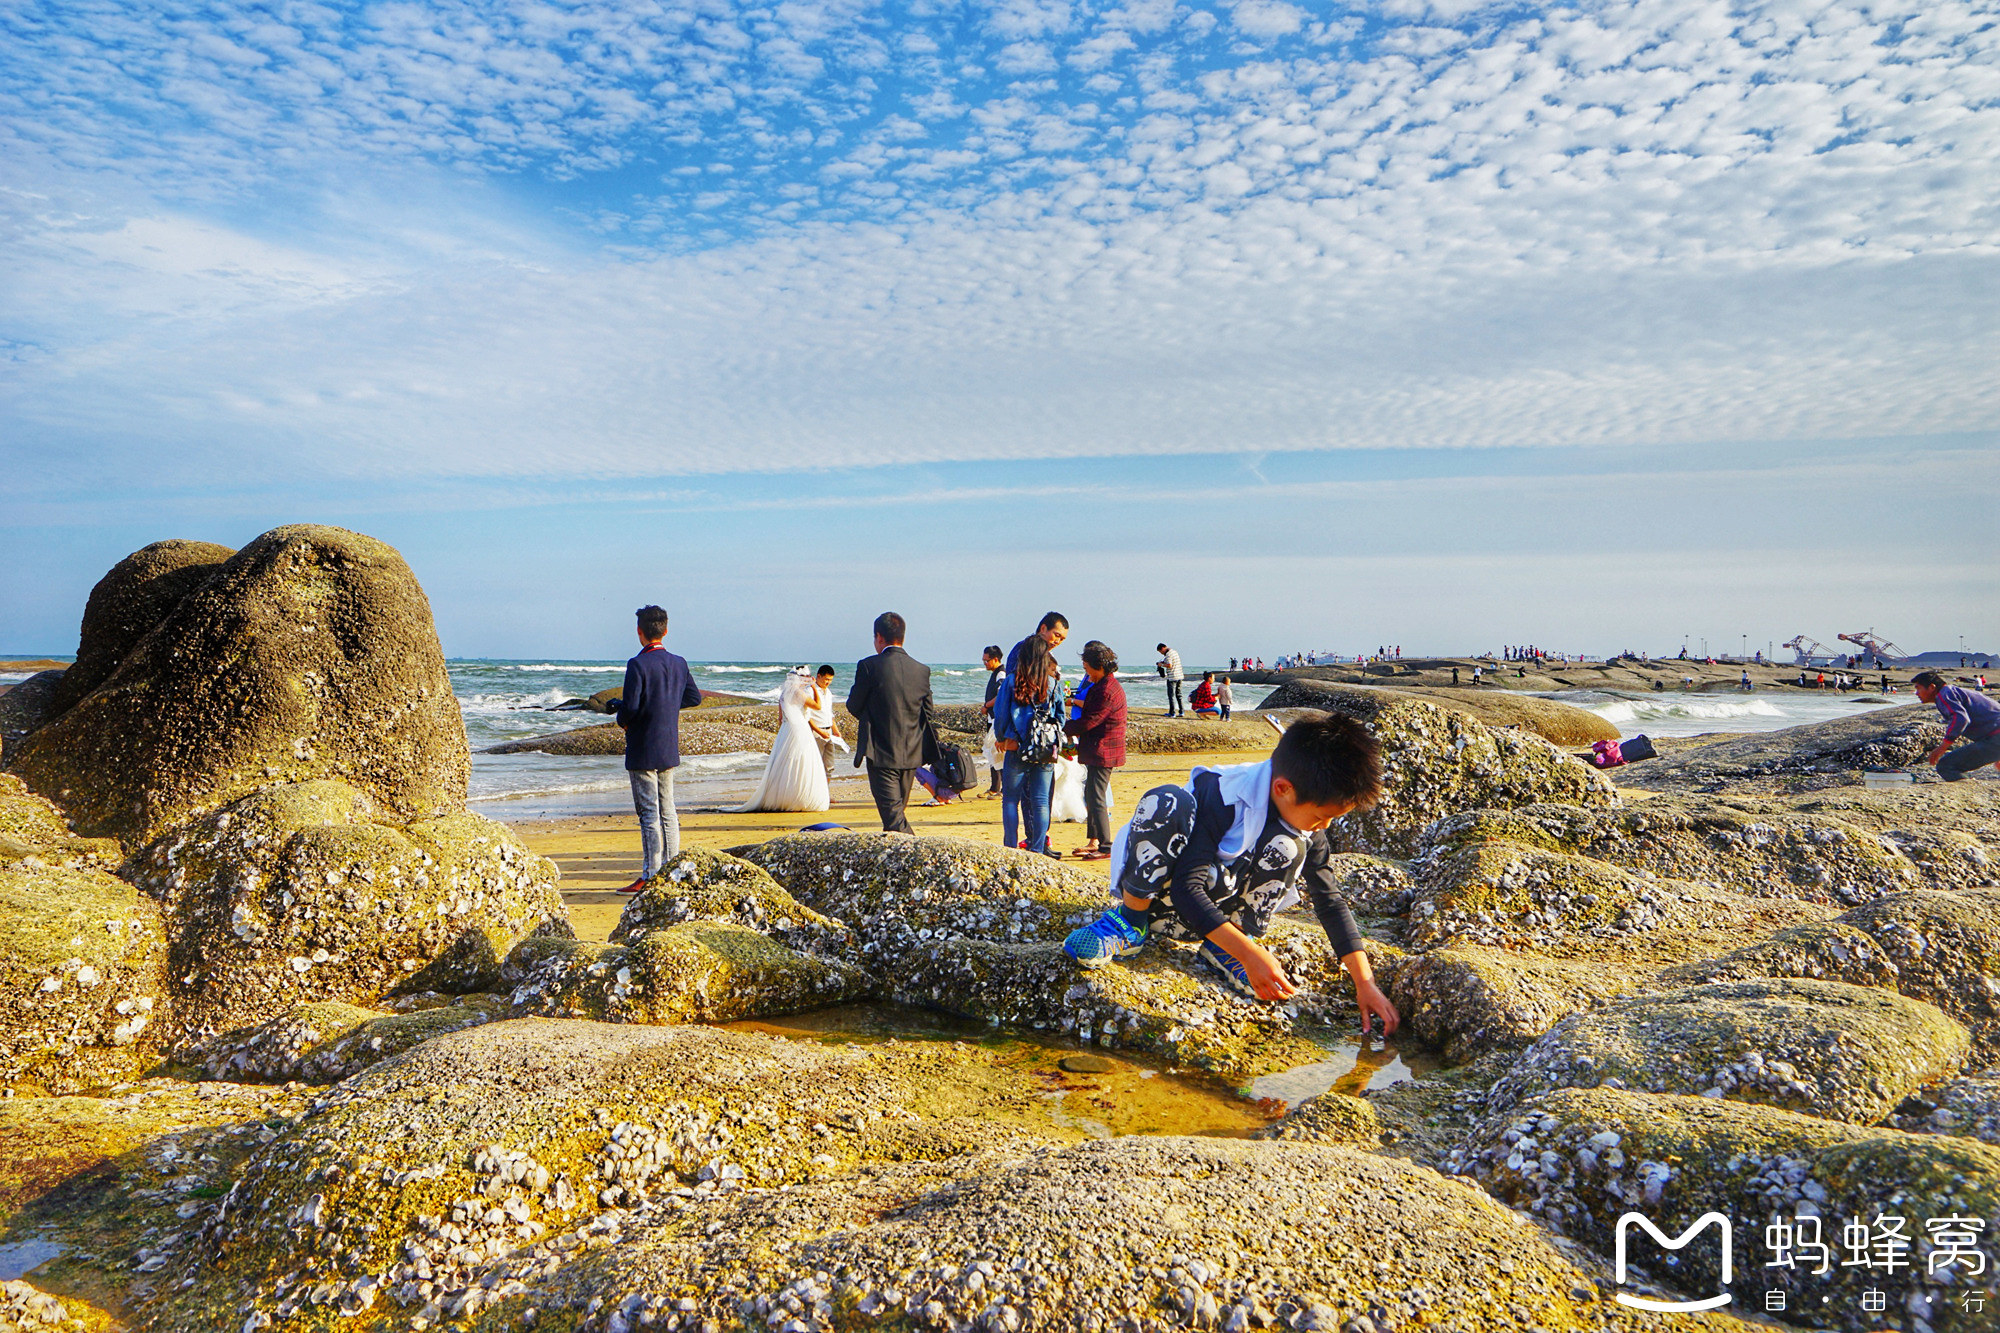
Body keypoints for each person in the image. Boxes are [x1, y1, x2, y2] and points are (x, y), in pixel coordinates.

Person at [1059, 714, 1399, 1033]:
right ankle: (1129, 923)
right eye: (1321, 817)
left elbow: (1330, 900)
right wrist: (1252, 956)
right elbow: (1185, 888)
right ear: (1283, 788)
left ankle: (1223, 947)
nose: (1323, 827)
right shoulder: (1222, 792)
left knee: (1293, 845)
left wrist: (1364, 982)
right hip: (1160, 901)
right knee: (1167, 799)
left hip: (1217, 921)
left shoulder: (1306, 825)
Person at [613, 605, 703, 892]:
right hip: (667, 743)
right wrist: (665, 705)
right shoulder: (679, 662)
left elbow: (632, 707)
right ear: (665, 630)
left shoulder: (637, 664)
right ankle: (672, 868)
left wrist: (621, 716)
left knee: (649, 813)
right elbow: (693, 697)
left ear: (640, 632)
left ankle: (651, 874)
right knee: (668, 809)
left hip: (642, 744)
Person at [845, 612, 934, 834]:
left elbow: (853, 705)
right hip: (911, 754)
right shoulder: (921, 670)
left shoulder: (868, 666)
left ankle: (920, 859)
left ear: (879, 637)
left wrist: (875, 717)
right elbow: (928, 714)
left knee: (893, 818)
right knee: (895, 815)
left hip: (881, 753)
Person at [994, 632, 1064, 857]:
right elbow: (1060, 717)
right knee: (1041, 802)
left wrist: (1001, 737)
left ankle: (1010, 847)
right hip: (1044, 750)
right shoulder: (1053, 683)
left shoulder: (1012, 681)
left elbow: (1001, 714)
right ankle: (1037, 848)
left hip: (1016, 747)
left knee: (1011, 800)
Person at [732, 667, 833, 814]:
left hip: (786, 729)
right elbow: (817, 706)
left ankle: (782, 795)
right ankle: (798, 797)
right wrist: (814, 688)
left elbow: (781, 718)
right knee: (801, 761)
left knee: (784, 762)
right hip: (799, 729)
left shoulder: (784, 694)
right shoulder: (798, 693)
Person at [1065, 640, 1127, 861]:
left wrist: (1063, 728)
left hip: (1104, 749)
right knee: (1091, 795)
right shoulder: (1104, 685)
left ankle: (1106, 846)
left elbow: (1090, 721)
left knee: (1097, 796)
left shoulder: (1106, 690)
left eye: (1086, 668)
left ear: (1098, 666)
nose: (1086, 673)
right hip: (1101, 748)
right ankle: (1095, 841)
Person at [1914, 670, 2000, 782]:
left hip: (1995, 738)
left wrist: (1942, 747)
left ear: (1931, 687)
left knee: (1945, 766)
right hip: (1994, 738)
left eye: (1918, 688)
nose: (1916, 693)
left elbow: (1960, 719)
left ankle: (1969, 793)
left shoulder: (1944, 695)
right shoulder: (1952, 691)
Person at [978, 645, 1005, 796]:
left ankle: (1000, 788)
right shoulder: (996, 673)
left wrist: (987, 705)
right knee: (991, 752)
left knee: (997, 752)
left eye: (986, 661)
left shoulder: (1001, 674)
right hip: (992, 717)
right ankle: (995, 787)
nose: (985, 664)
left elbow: (1001, 694)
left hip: (996, 718)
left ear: (995, 659)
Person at [1156, 643, 1184, 717]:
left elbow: (1169, 665)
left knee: (1171, 695)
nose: (1161, 653)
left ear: (1163, 648)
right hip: (1180, 676)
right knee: (1179, 694)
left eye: (1160, 651)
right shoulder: (1174, 652)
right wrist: (1163, 663)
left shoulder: (1168, 654)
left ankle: (1172, 713)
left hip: (1172, 677)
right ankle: (1182, 711)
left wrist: (1161, 665)